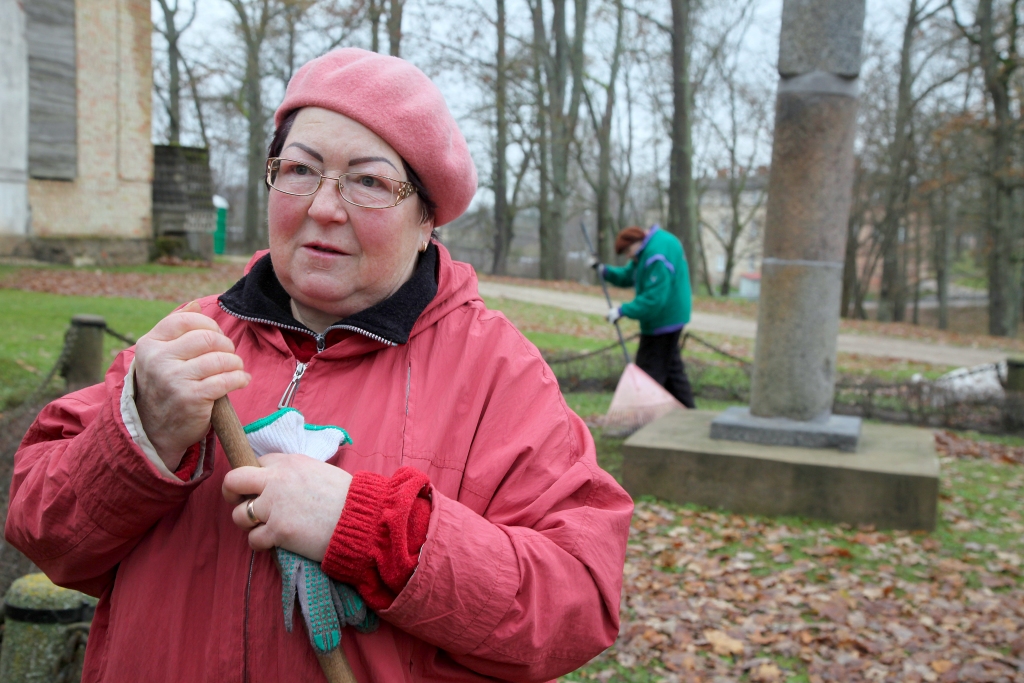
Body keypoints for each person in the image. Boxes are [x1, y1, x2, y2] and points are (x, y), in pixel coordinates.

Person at [7, 48, 633, 683]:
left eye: (368, 181)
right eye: (301, 169)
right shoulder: (192, 338)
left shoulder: (500, 374)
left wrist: (373, 530)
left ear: (426, 220)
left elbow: (573, 607)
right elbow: (44, 534)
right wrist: (142, 431)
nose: (324, 208)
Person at [595, 225, 696, 409]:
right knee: (673, 372)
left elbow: (654, 300)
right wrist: (605, 271)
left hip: (664, 320)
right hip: (669, 317)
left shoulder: (656, 256)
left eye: (627, 251)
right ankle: (689, 412)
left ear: (636, 242)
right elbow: (629, 274)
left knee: (648, 372)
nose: (628, 256)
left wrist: (622, 311)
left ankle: (644, 419)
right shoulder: (647, 249)